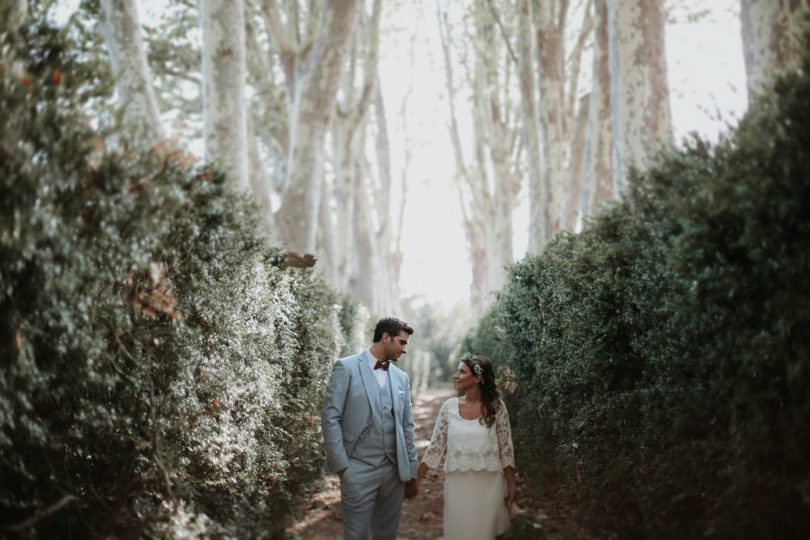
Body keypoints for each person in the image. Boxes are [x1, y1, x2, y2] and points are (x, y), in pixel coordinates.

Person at [321, 317, 419, 540]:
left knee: (386, 534)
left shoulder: (401, 378)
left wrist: (410, 471)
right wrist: (343, 467)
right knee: (355, 535)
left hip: (394, 472)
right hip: (357, 468)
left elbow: (407, 426)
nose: (404, 350)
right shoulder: (346, 368)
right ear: (386, 337)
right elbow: (330, 417)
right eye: (402, 343)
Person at [416, 353, 516, 540]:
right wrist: (417, 479)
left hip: (490, 484)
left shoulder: (497, 408)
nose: (455, 375)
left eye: (461, 372)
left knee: (486, 534)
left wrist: (511, 484)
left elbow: (506, 449)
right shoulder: (449, 408)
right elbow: (435, 447)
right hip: (458, 485)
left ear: (477, 378)